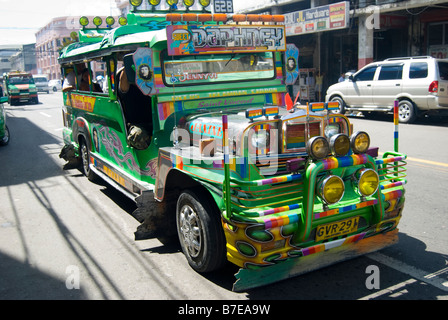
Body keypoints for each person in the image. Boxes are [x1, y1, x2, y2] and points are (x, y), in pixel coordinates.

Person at [117, 67, 152, 150]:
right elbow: (123, 82)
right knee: (138, 136)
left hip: (155, 122)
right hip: (137, 124)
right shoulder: (128, 88)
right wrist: (128, 65)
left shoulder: (150, 87)